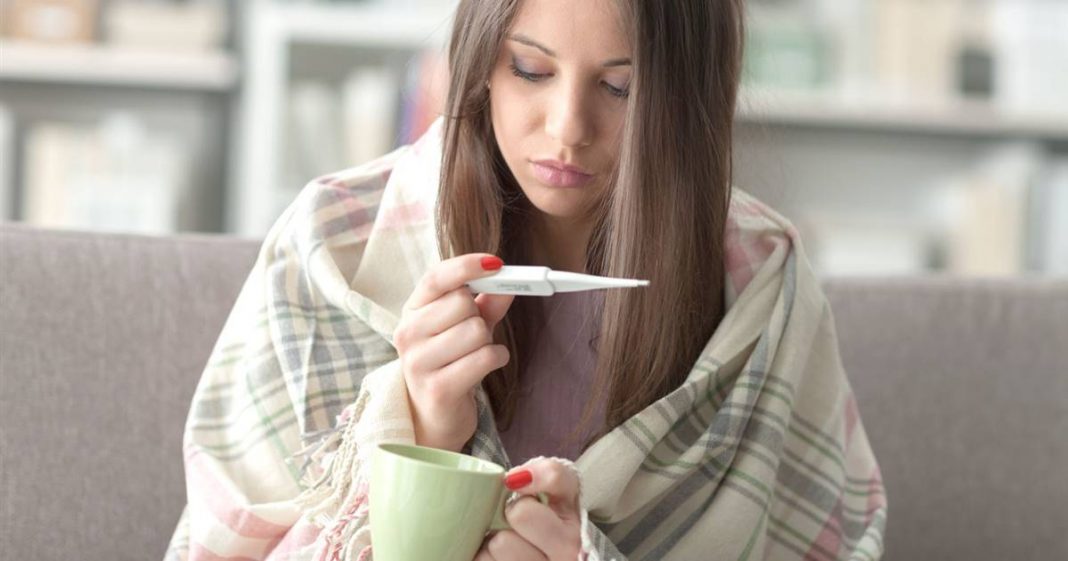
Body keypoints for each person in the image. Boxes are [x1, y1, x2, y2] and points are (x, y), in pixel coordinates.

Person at [165, 0, 887, 560]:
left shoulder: (760, 291)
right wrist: (419, 435)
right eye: (531, 70)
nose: (568, 126)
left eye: (619, 87)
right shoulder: (334, 247)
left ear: (687, 100)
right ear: (480, 57)